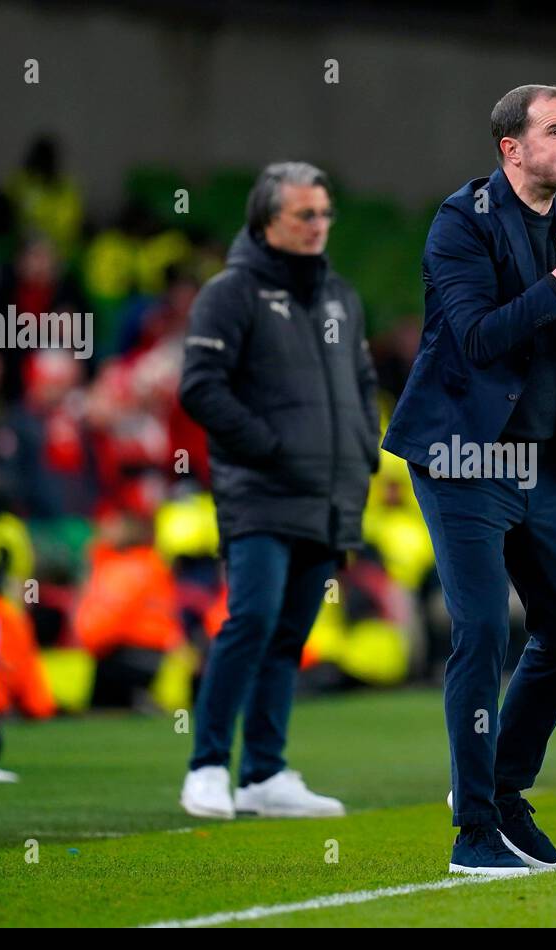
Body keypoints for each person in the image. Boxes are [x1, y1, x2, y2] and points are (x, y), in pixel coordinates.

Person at [382, 84, 556, 874]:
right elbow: (479, 339)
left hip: (539, 459)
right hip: (462, 457)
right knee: (486, 629)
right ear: (510, 148)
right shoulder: (461, 222)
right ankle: (473, 829)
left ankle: (504, 786)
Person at [178, 162, 380, 819]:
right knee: (253, 618)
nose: (319, 225)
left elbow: (362, 379)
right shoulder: (229, 293)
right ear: (267, 222)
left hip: (328, 491)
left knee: (290, 633)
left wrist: (363, 455)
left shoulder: (340, 298)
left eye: (324, 213)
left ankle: (263, 771)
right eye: (305, 214)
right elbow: (200, 387)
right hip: (260, 489)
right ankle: (207, 763)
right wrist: (270, 446)